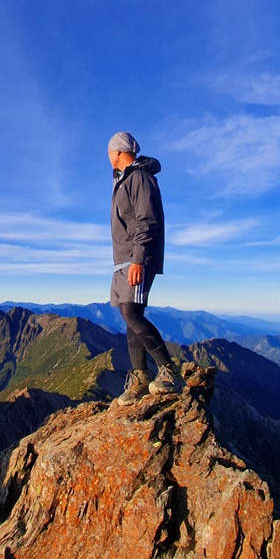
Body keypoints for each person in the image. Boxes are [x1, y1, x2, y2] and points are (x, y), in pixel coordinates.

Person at [108, 131, 185, 405]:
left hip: (135, 258)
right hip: (124, 259)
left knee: (131, 312)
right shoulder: (125, 180)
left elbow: (147, 220)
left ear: (117, 152)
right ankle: (140, 377)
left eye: (109, 152)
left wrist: (138, 259)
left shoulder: (139, 178)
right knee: (130, 314)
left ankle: (170, 371)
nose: (108, 157)